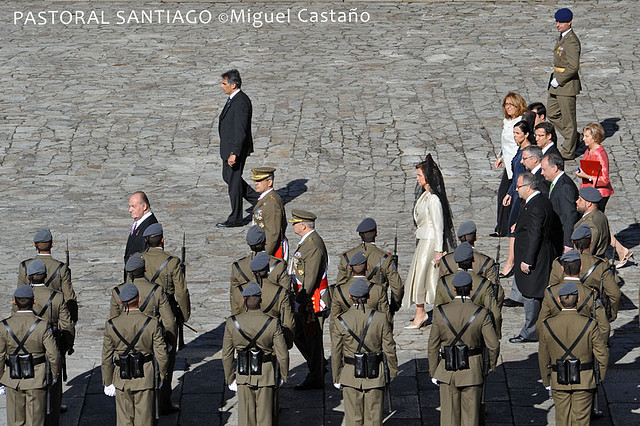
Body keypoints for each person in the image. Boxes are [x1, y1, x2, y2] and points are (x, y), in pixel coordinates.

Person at [428, 272, 500, 426]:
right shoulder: (481, 313)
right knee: (471, 419)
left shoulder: (440, 312)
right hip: (473, 369)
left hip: (447, 370)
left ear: (454, 289)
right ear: (471, 288)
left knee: (448, 418)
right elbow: (493, 345)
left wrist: (434, 371)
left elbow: (432, 345)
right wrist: (489, 366)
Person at [538, 282, 609, 426]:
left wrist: (546, 379)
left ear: (559, 300)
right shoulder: (590, 324)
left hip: (558, 378)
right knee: (581, 420)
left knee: (562, 419)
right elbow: (602, 354)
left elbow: (543, 356)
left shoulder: (547, 324)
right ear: (578, 300)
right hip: (585, 378)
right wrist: (598, 376)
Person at [330, 279, 398, 426]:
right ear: (368, 296)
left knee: (353, 419)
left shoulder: (340, 320)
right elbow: (389, 348)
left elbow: (336, 351)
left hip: (350, 373)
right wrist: (391, 371)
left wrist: (336, 376)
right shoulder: (380, 318)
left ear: (350, 297)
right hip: (375, 373)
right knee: (374, 419)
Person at [222, 283, 289, 426]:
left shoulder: (232, 322)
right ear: (261, 300)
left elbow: (227, 354)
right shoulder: (272, 323)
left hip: (243, 374)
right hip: (266, 374)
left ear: (244, 301)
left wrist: (230, 378)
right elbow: (282, 353)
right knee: (266, 419)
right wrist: (283, 375)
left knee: (246, 419)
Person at [102, 284, 169, 426]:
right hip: (145, 377)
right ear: (138, 299)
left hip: (122, 378)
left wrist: (108, 381)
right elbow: (161, 354)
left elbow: (107, 357)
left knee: (124, 420)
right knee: (145, 420)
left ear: (120, 302)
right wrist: (161, 375)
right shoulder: (151, 323)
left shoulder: (112, 325)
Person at [139, 223, 189, 414]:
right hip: (165, 314)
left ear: (146, 241)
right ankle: (164, 401)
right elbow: (181, 292)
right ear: (162, 240)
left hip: (143, 315)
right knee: (166, 357)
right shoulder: (172, 262)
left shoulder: (139, 260)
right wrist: (184, 315)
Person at [403, 155, 455, 329]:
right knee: (420, 276)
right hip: (423, 240)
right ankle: (420, 311)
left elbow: (439, 226)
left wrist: (439, 250)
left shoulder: (433, 199)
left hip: (430, 243)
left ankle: (421, 313)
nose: (417, 178)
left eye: (419, 175)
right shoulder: (425, 196)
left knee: (424, 278)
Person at [510, 173, 561, 343]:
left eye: (519, 187)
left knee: (531, 294)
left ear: (528, 187)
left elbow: (535, 235)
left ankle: (530, 330)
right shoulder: (541, 201)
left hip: (535, 258)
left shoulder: (536, 207)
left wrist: (527, 261)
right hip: (540, 254)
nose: (517, 190)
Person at [0, 286, 60, 426]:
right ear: (33, 301)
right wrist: (54, 374)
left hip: (12, 379)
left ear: (14, 302)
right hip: (36, 378)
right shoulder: (42, 325)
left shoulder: (4, 326)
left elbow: (0, 355)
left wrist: (1, 378)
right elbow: (53, 353)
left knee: (15, 421)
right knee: (35, 421)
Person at [574, 122, 632, 267]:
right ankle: (619, 251)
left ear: (595, 138)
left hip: (598, 194)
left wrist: (587, 177)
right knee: (597, 225)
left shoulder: (600, 154)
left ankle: (619, 251)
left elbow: (604, 179)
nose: (584, 139)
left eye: (587, 136)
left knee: (597, 225)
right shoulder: (589, 151)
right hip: (589, 192)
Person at [24, 260, 74, 426]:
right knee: (53, 385)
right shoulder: (57, 297)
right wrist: (67, 344)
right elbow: (67, 325)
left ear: (28, 277)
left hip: (29, 344)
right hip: (53, 341)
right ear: (45, 275)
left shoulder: (23, 295)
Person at [288, 209, 329, 390]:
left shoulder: (312, 245)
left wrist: (300, 301)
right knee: (300, 334)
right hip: (304, 297)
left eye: (295, 223)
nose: (293, 225)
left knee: (312, 338)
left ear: (303, 225)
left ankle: (316, 375)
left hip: (311, 300)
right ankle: (318, 366)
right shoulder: (308, 242)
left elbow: (310, 278)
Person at [111, 254, 177, 360]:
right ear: (145, 269)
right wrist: (170, 343)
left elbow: (113, 322)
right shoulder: (156, 290)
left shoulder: (117, 292)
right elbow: (169, 322)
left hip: (124, 343)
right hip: (150, 341)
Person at [549, 225, 621, 321]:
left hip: (564, 311)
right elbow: (615, 294)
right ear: (591, 242)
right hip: (591, 313)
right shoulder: (601, 265)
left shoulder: (558, 263)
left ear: (573, 242)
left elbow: (552, 290)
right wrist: (611, 314)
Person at [217, 69, 259, 228]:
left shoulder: (241, 102)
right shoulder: (232, 99)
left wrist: (235, 152)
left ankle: (236, 218)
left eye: (224, 83)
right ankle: (257, 199)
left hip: (235, 150)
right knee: (228, 177)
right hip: (228, 149)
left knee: (233, 183)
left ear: (233, 85)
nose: (221, 86)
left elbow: (240, 130)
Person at [337, 218, 403, 318]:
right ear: (376, 234)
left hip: (351, 306)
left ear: (360, 235)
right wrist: (394, 307)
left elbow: (340, 285)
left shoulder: (347, 256)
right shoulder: (385, 258)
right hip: (377, 306)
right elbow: (397, 287)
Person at [537, 250, 610, 340]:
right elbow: (604, 327)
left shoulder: (550, 292)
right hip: (584, 344)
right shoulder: (591, 293)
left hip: (557, 342)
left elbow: (541, 324)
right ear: (581, 268)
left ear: (562, 268)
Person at [435, 245, 502, 338]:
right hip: (476, 335)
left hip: (448, 335)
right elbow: (496, 313)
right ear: (473, 260)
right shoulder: (484, 283)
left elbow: (437, 312)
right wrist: (496, 334)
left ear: (456, 261)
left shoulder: (443, 282)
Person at [18, 229, 78, 323]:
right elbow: (69, 296)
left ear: (34, 244)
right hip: (53, 316)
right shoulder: (61, 268)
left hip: (30, 320)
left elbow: (20, 295)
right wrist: (72, 319)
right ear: (52, 245)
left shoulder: (25, 266)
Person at [499, 120, 533, 278]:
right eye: (513, 133)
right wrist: (508, 193)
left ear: (526, 134)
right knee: (511, 227)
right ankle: (511, 260)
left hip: (522, 194)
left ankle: (510, 262)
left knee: (514, 228)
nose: (514, 136)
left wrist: (514, 192)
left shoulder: (528, 152)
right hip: (515, 190)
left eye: (517, 133)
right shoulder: (520, 149)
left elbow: (523, 177)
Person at [231, 226, 290, 315]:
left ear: (248, 243)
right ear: (265, 242)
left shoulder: (238, 266)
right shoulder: (279, 266)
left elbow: (234, 297)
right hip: (272, 317)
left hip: (246, 317)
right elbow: (286, 293)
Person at [547, 8, 581, 160]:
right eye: (557, 21)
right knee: (551, 113)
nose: (558, 25)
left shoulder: (572, 41)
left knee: (568, 119)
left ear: (570, 22)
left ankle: (568, 151)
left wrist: (559, 79)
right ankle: (575, 137)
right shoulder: (562, 37)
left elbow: (573, 66)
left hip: (565, 85)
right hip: (556, 84)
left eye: (561, 22)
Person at [492, 92, 528, 237]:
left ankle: (505, 227)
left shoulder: (519, 122)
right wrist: (500, 156)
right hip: (507, 162)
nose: (508, 107)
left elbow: (516, 143)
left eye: (511, 104)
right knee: (504, 194)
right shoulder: (507, 121)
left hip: (515, 163)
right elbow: (505, 142)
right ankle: (501, 226)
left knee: (508, 194)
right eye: (506, 104)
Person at [439, 221, 499, 296]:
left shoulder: (445, 260)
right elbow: (497, 293)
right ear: (476, 237)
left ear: (458, 238)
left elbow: (440, 287)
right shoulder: (487, 261)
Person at [249, 253, 295, 349]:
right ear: (268, 269)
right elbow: (288, 322)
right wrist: (288, 343)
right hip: (272, 337)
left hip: (249, 337)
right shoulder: (280, 292)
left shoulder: (243, 290)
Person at [331, 251, 391, 324]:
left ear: (350, 267)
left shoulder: (339, 290)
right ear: (367, 267)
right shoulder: (378, 289)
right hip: (371, 328)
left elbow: (334, 319)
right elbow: (386, 316)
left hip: (348, 329)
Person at [541, 153, 579, 251]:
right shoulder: (556, 183)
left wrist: (568, 244)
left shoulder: (564, 187)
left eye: (544, 169)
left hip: (561, 238)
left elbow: (569, 217)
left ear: (554, 168)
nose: (541, 173)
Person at [250, 167, 288, 260]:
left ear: (269, 182)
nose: (256, 183)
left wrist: (264, 255)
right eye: (255, 181)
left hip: (270, 251)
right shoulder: (265, 198)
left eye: (259, 181)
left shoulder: (272, 202)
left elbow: (273, 232)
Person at [574, 187, 611, 259]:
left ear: (588, 204)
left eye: (580, 200)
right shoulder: (601, 215)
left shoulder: (589, 224)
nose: (577, 201)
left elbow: (587, 251)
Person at [124, 191, 158, 266]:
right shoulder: (139, 222)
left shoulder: (150, 226)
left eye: (133, 206)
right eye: (129, 207)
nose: (130, 210)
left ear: (144, 206)